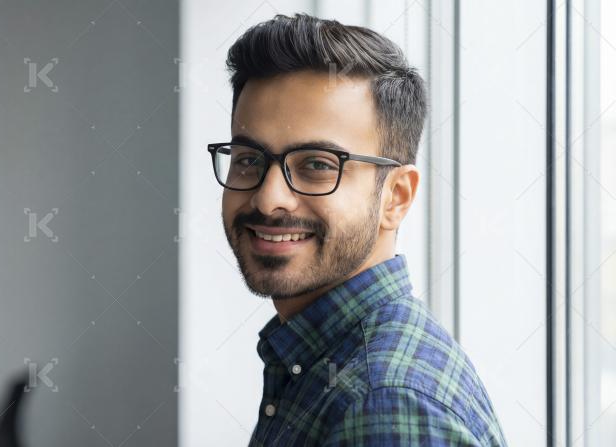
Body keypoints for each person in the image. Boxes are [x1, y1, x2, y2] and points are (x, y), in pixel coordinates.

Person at [210, 13, 508, 446]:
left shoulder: (383, 401)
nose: (268, 197)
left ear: (397, 197)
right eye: (249, 159)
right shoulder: (322, 364)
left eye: (316, 165)